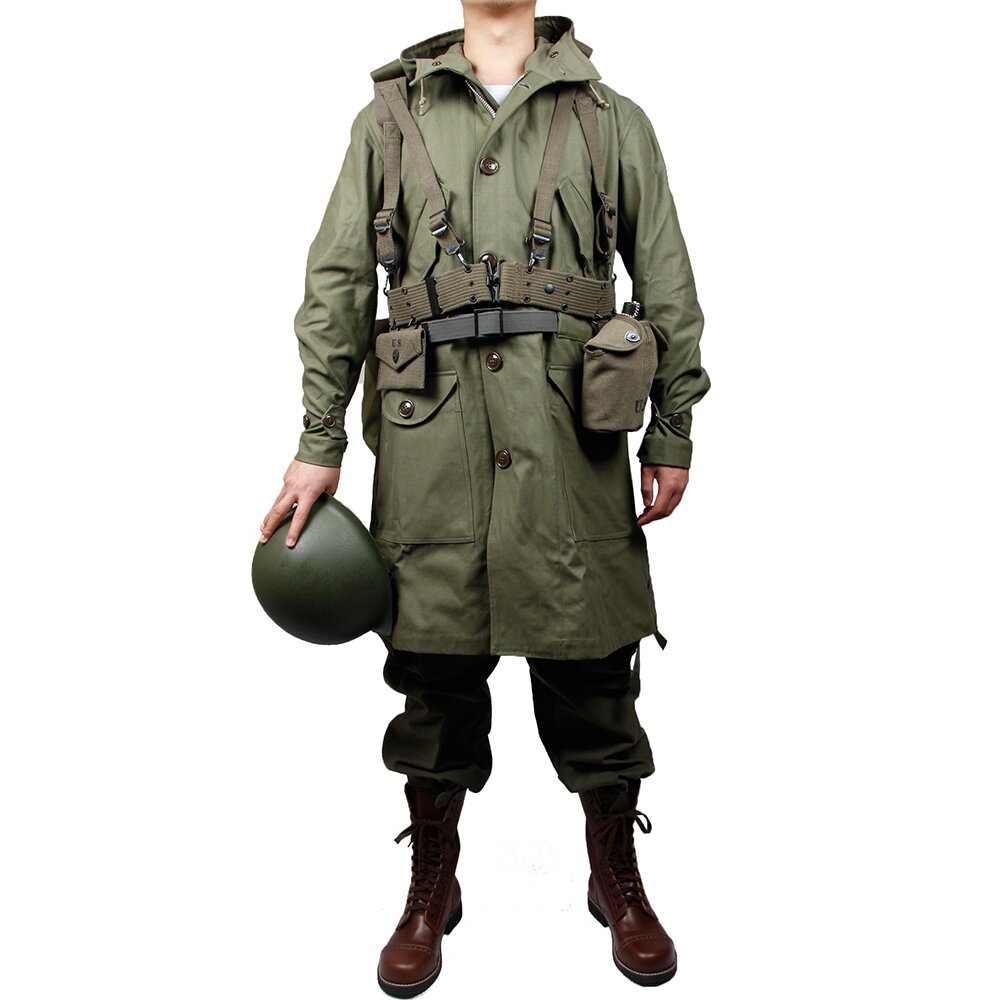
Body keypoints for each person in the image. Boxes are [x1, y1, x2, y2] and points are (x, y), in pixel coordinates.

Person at [259, 2, 709, 994]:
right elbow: (335, 286)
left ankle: (615, 872)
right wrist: (317, 440)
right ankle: (432, 882)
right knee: (431, 672)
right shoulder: (386, 122)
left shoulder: (612, 120)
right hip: (432, 443)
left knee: (596, 665)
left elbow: (667, 280)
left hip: (567, 441)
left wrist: (673, 425)